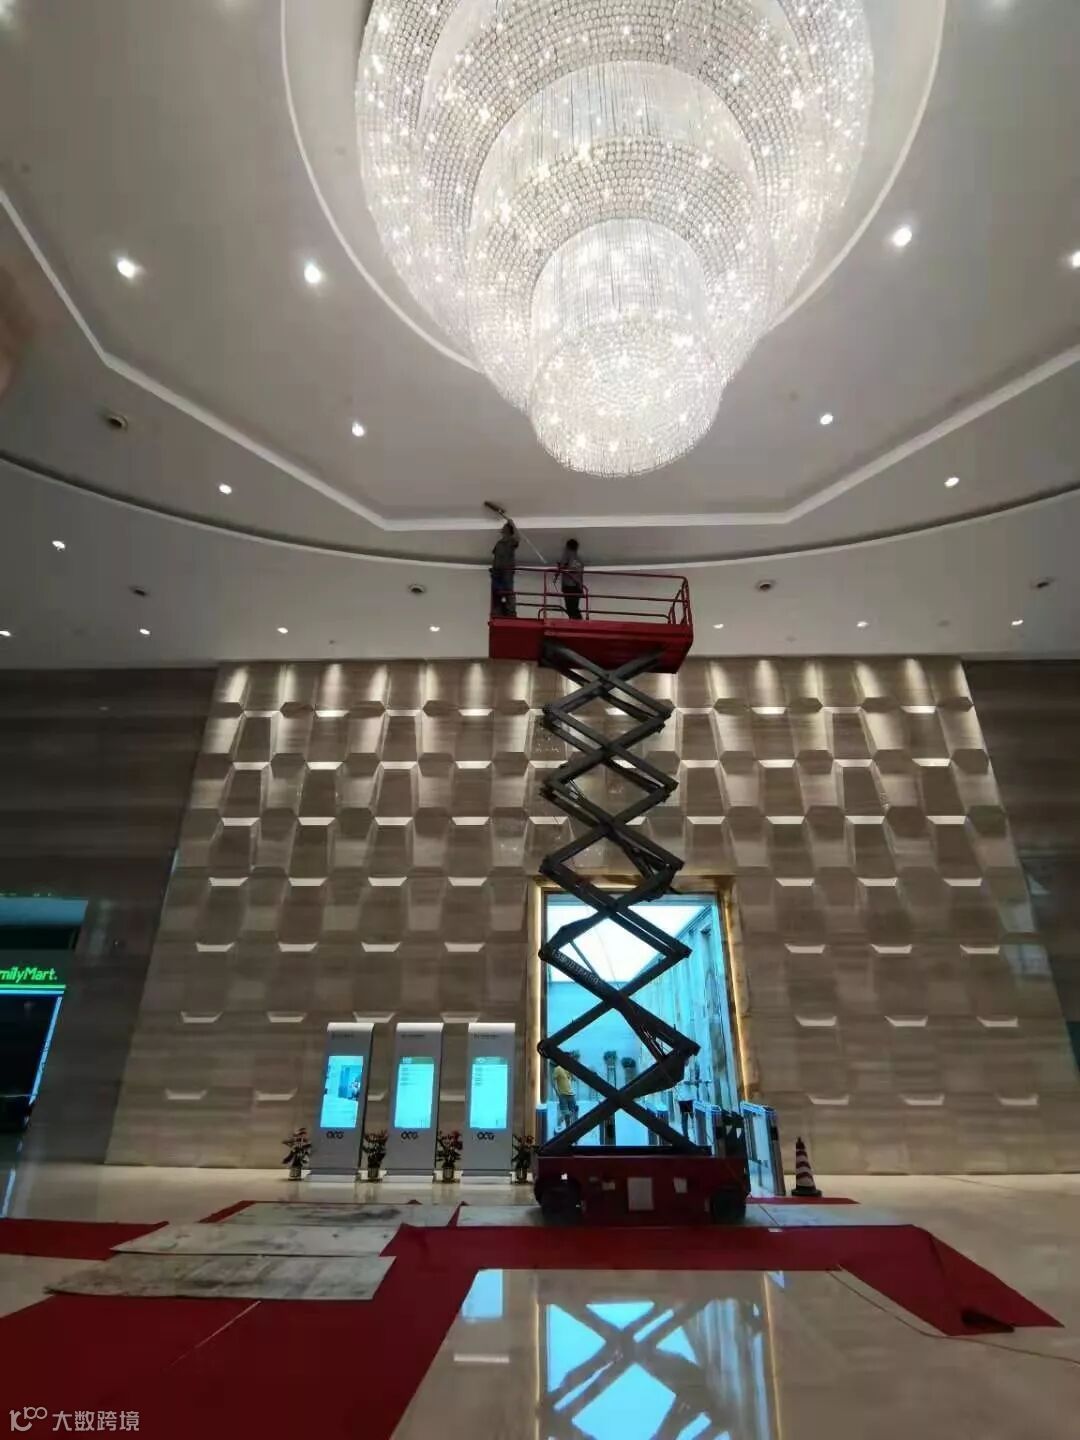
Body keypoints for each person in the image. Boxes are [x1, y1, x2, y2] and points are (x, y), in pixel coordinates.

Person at [490, 517, 519, 617]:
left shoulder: (511, 541)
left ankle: (511, 612)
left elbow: (518, 538)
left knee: (508, 592)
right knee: (496, 593)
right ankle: (497, 611)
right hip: (497, 572)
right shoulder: (499, 543)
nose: (502, 529)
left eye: (504, 528)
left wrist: (512, 524)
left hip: (507, 571)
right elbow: (496, 557)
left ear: (508, 531)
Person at [558, 537, 584, 620]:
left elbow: (562, 566)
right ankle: (578, 622)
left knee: (570, 608)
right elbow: (580, 573)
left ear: (568, 547)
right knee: (574, 608)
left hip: (569, 586)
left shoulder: (568, 555)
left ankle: (576, 623)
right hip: (577, 586)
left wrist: (560, 566)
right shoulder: (579, 559)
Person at [551, 1062, 578, 1129]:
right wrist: (556, 1092)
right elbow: (552, 1080)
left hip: (571, 1095)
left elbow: (574, 1079)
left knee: (574, 1112)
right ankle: (564, 1126)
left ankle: (572, 1129)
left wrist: (572, 1073)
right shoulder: (558, 1068)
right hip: (563, 1095)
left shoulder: (567, 1069)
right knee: (566, 1114)